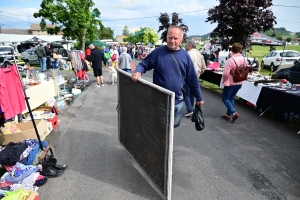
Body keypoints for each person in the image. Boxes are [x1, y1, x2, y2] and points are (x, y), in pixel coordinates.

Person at [132, 25, 204, 128]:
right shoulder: (158, 52)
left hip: (178, 101)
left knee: (174, 126)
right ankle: (160, 143)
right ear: (166, 37)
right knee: (161, 128)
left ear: (181, 40)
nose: (172, 40)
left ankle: (165, 142)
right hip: (160, 100)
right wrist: (138, 72)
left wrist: (199, 97)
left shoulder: (185, 56)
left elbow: (192, 79)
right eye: (170, 37)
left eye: (175, 38)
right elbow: (143, 64)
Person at [221, 42, 247, 123]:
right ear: (240, 50)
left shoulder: (231, 60)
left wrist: (224, 80)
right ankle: (228, 115)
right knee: (231, 98)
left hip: (231, 82)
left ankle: (233, 112)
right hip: (239, 81)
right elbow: (246, 69)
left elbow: (226, 73)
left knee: (225, 98)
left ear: (232, 49)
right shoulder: (244, 59)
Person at [184, 40, 207, 117]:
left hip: (188, 77)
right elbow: (204, 67)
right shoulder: (200, 54)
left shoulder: (187, 54)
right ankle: (191, 108)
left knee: (187, 93)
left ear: (190, 46)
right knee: (192, 93)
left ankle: (190, 109)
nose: (186, 47)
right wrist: (199, 73)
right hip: (196, 76)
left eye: (187, 46)